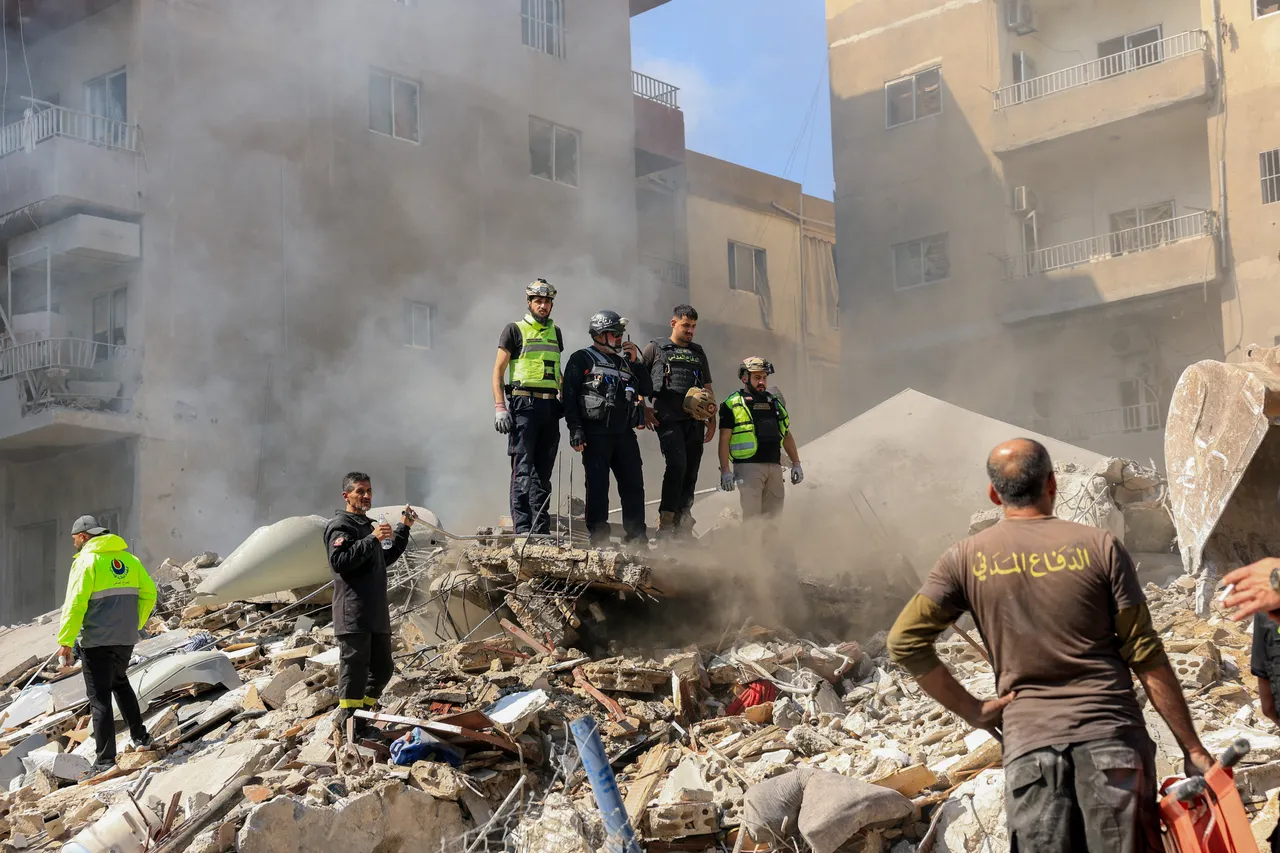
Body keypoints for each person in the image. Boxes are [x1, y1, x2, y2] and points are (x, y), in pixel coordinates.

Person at [886, 438, 1213, 853]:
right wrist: (1192, 748)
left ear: (993, 494)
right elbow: (1145, 653)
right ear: (1053, 484)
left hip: (1030, 752)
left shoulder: (963, 559)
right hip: (1112, 741)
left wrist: (974, 710)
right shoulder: (1101, 547)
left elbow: (904, 642)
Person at [57, 515, 157, 775]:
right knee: (120, 683)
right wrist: (134, 624)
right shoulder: (129, 560)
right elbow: (150, 593)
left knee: (99, 698)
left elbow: (75, 603)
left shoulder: (86, 562)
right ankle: (141, 739)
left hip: (97, 640)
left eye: (74, 539)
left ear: (83, 536)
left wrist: (66, 642)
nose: (74, 545)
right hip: (125, 638)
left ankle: (104, 761)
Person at [324, 472, 415, 738]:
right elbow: (340, 562)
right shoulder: (340, 526)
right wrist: (372, 538)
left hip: (375, 612)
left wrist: (404, 527)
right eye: (360, 491)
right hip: (353, 612)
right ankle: (349, 726)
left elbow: (383, 559)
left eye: (369, 491)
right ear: (346, 496)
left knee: (383, 669)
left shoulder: (367, 527)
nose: (366, 496)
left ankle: (358, 719)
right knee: (355, 670)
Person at [562, 310, 653, 547]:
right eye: (614, 334)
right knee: (598, 485)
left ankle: (636, 538)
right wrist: (575, 429)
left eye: (620, 334)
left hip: (624, 434)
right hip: (595, 434)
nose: (619, 339)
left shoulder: (626, 362)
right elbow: (569, 397)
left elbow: (648, 389)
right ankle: (599, 538)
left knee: (633, 485)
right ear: (600, 335)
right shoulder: (581, 358)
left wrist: (636, 363)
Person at [492, 279, 564, 535]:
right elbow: (498, 370)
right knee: (523, 469)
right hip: (523, 405)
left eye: (547, 302)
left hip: (550, 407)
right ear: (529, 302)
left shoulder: (555, 333)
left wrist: (564, 399)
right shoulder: (514, 330)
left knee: (543, 475)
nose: (543, 306)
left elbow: (557, 370)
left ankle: (540, 530)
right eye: (538, 301)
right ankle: (523, 530)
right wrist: (500, 406)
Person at [641, 304, 715, 538]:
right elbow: (638, 381)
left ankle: (683, 521)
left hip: (695, 420)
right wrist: (643, 409)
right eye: (686, 325)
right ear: (674, 323)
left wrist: (713, 418)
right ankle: (666, 520)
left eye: (693, 326)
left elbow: (707, 387)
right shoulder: (655, 348)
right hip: (668, 418)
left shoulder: (698, 352)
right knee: (677, 466)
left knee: (691, 470)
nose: (690, 330)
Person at [717, 357, 803, 519]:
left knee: (774, 517)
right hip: (748, 468)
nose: (762, 382)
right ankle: (751, 545)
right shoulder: (732, 403)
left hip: (774, 467)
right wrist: (725, 471)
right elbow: (724, 439)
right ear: (744, 378)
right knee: (753, 519)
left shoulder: (774, 402)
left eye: (764, 378)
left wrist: (797, 464)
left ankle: (770, 545)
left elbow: (786, 435)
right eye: (757, 378)